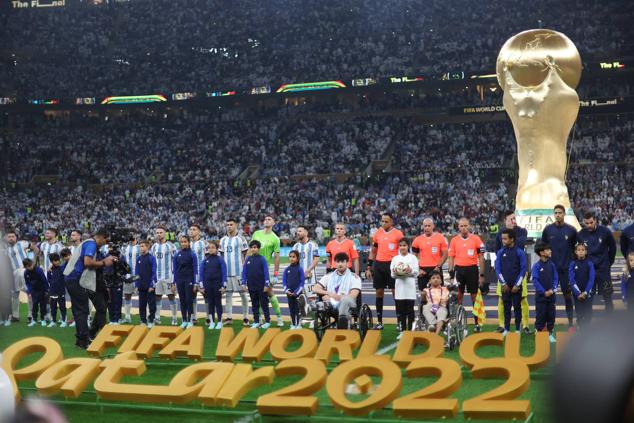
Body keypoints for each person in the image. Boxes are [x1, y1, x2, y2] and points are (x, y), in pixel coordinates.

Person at [63, 228, 114, 349]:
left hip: (72, 278)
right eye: (105, 240)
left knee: (79, 310)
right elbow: (87, 262)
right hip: (76, 278)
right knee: (82, 310)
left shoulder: (89, 244)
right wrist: (103, 263)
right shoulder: (91, 243)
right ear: (100, 237)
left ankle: (81, 340)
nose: (105, 243)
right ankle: (83, 342)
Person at [541, 204, 578, 331]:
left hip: (566, 270)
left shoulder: (571, 230)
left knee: (568, 296)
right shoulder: (547, 230)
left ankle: (571, 324)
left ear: (564, 214)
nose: (557, 215)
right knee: (549, 297)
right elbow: (542, 248)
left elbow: (576, 250)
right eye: (555, 213)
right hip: (551, 269)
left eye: (560, 213)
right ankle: (548, 325)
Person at [494, 211, 531, 335]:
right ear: (505, 220)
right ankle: (502, 325)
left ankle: (524, 325)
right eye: (511, 219)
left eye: (515, 218)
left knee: (523, 299)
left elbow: (520, 243)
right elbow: (497, 249)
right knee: (502, 300)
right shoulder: (500, 234)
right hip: (504, 275)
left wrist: (510, 233)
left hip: (518, 274)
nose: (514, 221)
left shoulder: (522, 231)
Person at [365, 213, 404, 330]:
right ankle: (379, 322)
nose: (383, 223)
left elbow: (403, 250)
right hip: (379, 265)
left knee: (395, 293)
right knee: (379, 293)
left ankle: (399, 322)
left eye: (386, 221)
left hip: (392, 265)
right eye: (382, 221)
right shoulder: (378, 233)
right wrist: (369, 267)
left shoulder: (398, 234)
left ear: (391, 222)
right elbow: (373, 250)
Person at [447, 217, 485, 332]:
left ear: (469, 226)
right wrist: (451, 273)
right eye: (461, 226)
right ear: (458, 227)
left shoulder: (476, 239)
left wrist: (482, 275)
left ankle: (477, 323)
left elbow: (481, 258)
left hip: (472, 270)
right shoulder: (454, 240)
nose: (464, 228)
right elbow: (451, 258)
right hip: (459, 270)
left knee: (474, 297)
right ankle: (459, 322)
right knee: (458, 297)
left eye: (466, 225)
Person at [577, 211, 617, 312]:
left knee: (607, 296)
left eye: (591, 222)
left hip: (603, 270)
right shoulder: (581, 234)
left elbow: (613, 248)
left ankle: (611, 321)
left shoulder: (605, 232)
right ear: (584, 222)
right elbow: (579, 251)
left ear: (595, 220)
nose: (589, 225)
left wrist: (608, 263)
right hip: (588, 271)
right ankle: (587, 323)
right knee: (588, 297)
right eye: (587, 223)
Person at [313, 252, 362, 330]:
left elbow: (354, 295)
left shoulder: (354, 277)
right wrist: (328, 293)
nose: (340, 264)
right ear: (335, 263)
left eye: (342, 262)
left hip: (347, 304)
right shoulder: (328, 276)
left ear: (347, 263)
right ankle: (308, 308)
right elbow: (315, 288)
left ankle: (342, 321)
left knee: (344, 302)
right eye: (338, 262)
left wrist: (340, 298)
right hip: (330, 303)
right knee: (321, 302)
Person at [251, 215, 283, 326]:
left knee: (268, 292)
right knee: (256, 293)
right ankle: (259, 319)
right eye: (265, 219)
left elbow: (277, 257)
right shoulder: (256, 234)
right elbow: (251, 250)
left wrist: (275, 273)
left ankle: (279, 317)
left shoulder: (275, 238)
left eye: (269, 219)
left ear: (274, 223)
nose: (266, 220)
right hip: (254, 267)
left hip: (266, 269)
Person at [219, 218, 250, 327]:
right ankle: (229, 317)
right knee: (228, 295)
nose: (229, 226)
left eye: (231, 224)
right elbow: (221, 256)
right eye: (227, 225)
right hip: (227, 273)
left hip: (239, 272)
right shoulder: (223, 240)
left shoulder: (241, 239)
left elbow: (246, 254)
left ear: (236, 225)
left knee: (243, 294)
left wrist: (245, 270)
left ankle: (246, 317)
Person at [390, 238, 418, 337]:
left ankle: (410, 332)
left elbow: (416, 273)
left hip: (410, 289)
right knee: (400, 312)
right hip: (399, 289)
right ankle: (402, 331)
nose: (402, 247)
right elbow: (392, 275)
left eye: (404, 245)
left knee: (410, 311)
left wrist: (409, 271)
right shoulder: (395, 259)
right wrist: (397, 272)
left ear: (408, 246)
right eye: (401, 245)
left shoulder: (413, 258)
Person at [531, 240, 558, 343]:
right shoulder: (536, 266)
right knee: (540, 315)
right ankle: (539, 331)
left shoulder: (552, 265)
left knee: (551, 315)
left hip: (551, 296)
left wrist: (553, 289)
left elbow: (556, 278)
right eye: (548, 249)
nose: (550, 251)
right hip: (541, 297)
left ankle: (550, 332)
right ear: (541, 252)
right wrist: (543, 292)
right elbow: (535, 281)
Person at [241, 240, 272, 329]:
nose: (253, 249)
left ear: (258, 249)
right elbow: (244, 272)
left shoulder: (262, 259)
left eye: (255, 247)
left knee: (264, 303)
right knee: (254, 304)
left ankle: (267, 321)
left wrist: (266, 284)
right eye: (252, 248)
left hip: (261, 286)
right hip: (251, 285)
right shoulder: (248, 259)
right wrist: (243, 283)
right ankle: (256, 321)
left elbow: (266, 272)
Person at [151, 225, 177, 325]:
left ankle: (174, 318)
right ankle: (157, 318)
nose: (159, 234)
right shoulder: (154, 247)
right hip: (157, 277)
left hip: (168, 276)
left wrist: (175, 279)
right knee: (157, 297)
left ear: (165, 233)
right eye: (157, 233)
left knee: (171, 296)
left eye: (161, 232)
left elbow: (175, 261)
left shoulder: (171, 246)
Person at [4, 230, 32, 325]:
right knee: (15, 294)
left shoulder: (22, 244)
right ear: (7, 238)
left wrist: (33, 262)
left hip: (24, 270)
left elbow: (35, 248)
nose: (11, 238)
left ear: (16, 238)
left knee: (29, 292)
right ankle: (15, 316)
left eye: (13, 236)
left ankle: (30, 315)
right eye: (9, 236)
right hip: (13, 272)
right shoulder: (6, 250)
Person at [411, 218, 448, 290]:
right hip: (422, 270)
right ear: (423, 227)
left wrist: (438, 267)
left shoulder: (440, 238)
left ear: (433, 226)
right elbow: (413, 257)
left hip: (436, 268)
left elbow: (445, 254)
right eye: (425, 226)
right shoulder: (417, 239)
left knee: (438, 293)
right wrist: (418, 269)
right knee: (423, 294)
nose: (427, 228)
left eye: (429, 226)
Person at [199, 240, 227, 330]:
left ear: (217, 249)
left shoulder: (220, 259)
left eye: (213, 247)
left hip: (217, 284)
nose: (211, 249)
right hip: (208, 285)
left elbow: (224, 273)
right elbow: (201, 274)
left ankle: (219, 322)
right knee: (210, 303)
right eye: (209, 248)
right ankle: (211, 322)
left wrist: (224, 285)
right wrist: (202, 286)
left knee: (218, 303)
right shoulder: (205, 260)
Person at [173, 235, 198, 328]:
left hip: (189, 279)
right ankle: (184, 320)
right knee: (182, 300)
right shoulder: (176, 254)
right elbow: (175, 270)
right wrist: (174, 282)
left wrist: (195, 282)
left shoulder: (192, 254)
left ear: (189, 243)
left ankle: (190, 320)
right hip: (179, 280)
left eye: (185, 242)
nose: (183, 243)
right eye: (182, 242)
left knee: (189, 300)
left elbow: (195, 269)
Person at [569, 243, 595, 328]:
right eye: (578, 250)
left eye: (583, 250)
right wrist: (578, 293)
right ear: (575, 252)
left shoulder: (589, 263)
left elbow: (591, 279)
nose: (580, 252)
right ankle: (580, 327)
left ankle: (587, 329)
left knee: (588, 312)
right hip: (577, 293)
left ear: (586, 252)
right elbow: (572, 280)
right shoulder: (572, 263)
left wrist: (585, 292)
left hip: (588, 292)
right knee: (579, 312)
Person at [292, 225, 320, 295]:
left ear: (306, 233)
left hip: (310, 277)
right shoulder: (295, 246)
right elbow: (292, 261)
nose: (298, 233)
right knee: (297, 298)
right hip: (297, 277)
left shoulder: (313, 245)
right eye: (297, 231)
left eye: (300, 231)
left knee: (311, 298)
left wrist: (307, 270)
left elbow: (316, 259)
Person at [188, 224, 208, 324]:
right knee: (192, 296)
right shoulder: (187, 244)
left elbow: (209, 257)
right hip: (190, 274)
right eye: (190, 229)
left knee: (206, 295)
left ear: (199, 231)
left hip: (203, 273)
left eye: (194, 229)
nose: (192, 231)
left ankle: (208, 317)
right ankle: (194, 317)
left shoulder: (204, 243)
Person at [135, 240, 157, 327]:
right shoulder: (138, 259)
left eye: (143, 246)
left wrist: (152, 285)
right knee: (141, 305)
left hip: (150, 286)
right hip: (141, 285)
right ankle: (143, 321)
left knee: (152, 305)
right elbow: (136, 272)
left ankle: (151, 320)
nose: (141, 248)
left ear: (147, 247)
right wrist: (136, 285)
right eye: (140, 246)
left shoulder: (151, 258)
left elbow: (154, 272)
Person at [421, 271, 449, 336]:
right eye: (433, 278)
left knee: (441, 312)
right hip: (431, 307)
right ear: (429, 281)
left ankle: (436, 335)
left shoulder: (446, 289)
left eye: (438, 278)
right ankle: (433, 324)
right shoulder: (426, 290)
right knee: (425, 307)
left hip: (441, 307)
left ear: (441, 281)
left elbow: (448, 300)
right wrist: (423, 295)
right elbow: (423, 301)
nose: (436, 279)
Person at [23, 258, 49, 327]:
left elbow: (44, 280)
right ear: (25, 267)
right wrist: (29, 292)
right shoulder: (26, 273)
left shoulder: (39, 270)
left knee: (42, 305)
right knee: (34, 306)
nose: (30, 267)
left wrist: (47, 290)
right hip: (33, 291)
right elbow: (27, 283)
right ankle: (34, 320)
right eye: (28, 266)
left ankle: (43, 319)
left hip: (42, 290)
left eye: (31, 265)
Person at [283, 250, 305, 329]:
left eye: (293, 257)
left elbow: (302, 283)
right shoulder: (286, 269)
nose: (291, 258)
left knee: (298, 309)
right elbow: (284, 281)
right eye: (290, 257)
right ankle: (293, 323)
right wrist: (287, 291)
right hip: (289, 293)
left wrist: (296, 292)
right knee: (291, 309)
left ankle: (299, 324)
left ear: (297, 258)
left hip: (298, 294)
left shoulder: (300, 269)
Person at [121, 236, 140, 324]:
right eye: (130, 239)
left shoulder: (139, 248)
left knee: (143, 296)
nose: (131, 240)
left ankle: (145, 317)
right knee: (127, 295)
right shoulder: (124, 248)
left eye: (133, 239)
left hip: (137, 275)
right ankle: (127, 316)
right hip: (128, 275)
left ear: (136, 239)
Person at [47, 253, 67, 327]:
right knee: (53, 307)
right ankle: (53, 321)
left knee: (62, 307)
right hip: (53, 292)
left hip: (61, 291)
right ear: (52, 262)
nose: (57, 262)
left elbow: (65, 279)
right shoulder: (50, 270)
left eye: (58, 260)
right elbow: (49, 280)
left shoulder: (62, 268)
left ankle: (64, 321)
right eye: (55, 261)